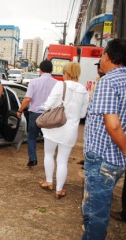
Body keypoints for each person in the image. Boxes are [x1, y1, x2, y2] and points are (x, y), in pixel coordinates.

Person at [82, 38, 126, 240]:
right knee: (97, 206)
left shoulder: (108, 81)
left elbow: (113, 125)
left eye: (101, 55)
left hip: (103, 160)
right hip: (116, 160)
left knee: (95, 213)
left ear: (107, 56)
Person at [38, 62, 89, 199]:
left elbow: (48, 104)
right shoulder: (84, 90)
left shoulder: (60, 85)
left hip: (53, 127)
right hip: (70, 131)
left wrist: (43, 108)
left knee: (49, 154)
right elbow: (83, 114)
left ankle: (49, 182)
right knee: (62, 160)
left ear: (65, 73)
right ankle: (59, 190)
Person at [16, 60, 57, 167]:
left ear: (40, 70)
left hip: (35, 114)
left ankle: (33, 159)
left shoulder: (34, 82)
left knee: (31, 137)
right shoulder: (57, 83)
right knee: (49, 138)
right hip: (49, 115)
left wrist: (20, 110)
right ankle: (50, 159)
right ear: (51, 70)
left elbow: (27, 99)